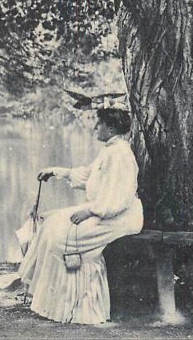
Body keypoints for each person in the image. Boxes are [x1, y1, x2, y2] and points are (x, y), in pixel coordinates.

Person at [18, 104, 143, 324]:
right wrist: (56, 171)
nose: (95, 127)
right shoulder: (110, 150)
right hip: (105, 210)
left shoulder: (121, 154)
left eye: (100, 124)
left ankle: (79, 308)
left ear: (111, 128)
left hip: (118, 217)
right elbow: (88, 176)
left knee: (61, 238)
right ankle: (46, 302)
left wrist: (90, 211)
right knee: (50, 223)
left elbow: (119, 197)